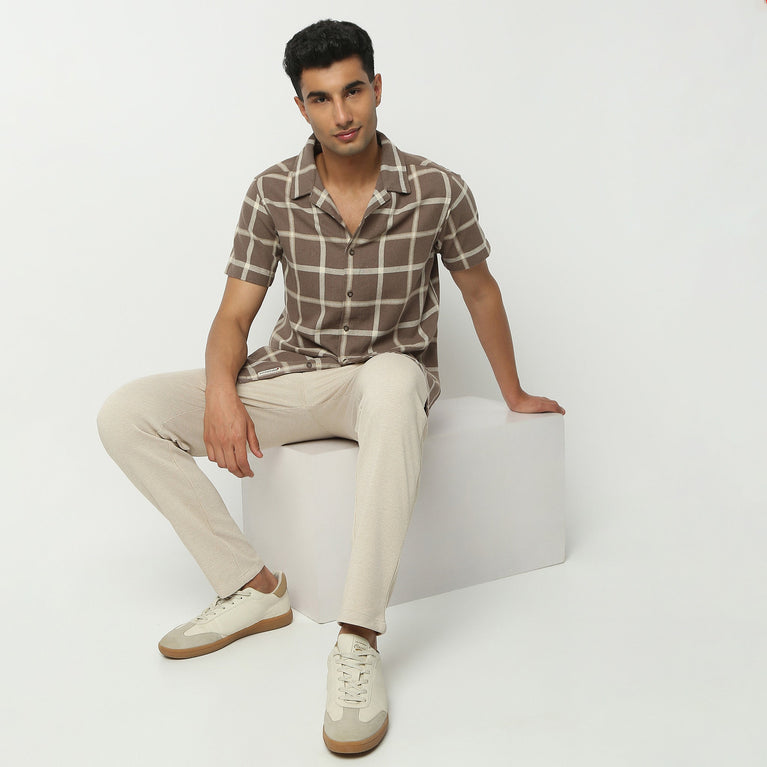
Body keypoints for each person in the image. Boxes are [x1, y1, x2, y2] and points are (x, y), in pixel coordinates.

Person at [97, 18, 565, 755]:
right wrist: (221, 394)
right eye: (321, 99)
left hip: (385, 381)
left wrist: (514, 394)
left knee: (392, 378)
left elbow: (479, 291)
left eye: (352, 92)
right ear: (301, 107)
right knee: (126, 413)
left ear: (376, 89)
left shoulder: (437, 189)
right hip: (293, 377)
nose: (342, 114)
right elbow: (233, 317)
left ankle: (357, 638)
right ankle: (251, 586)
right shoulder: (272, 192)